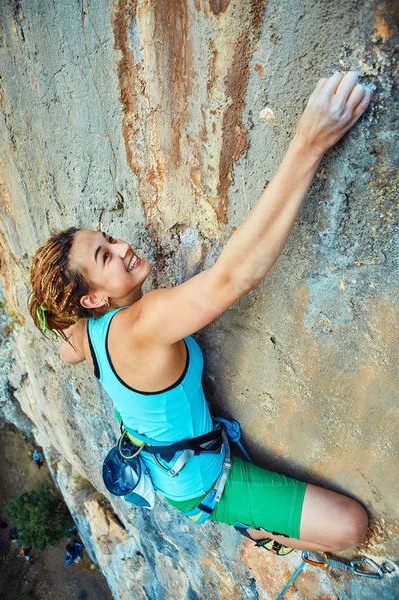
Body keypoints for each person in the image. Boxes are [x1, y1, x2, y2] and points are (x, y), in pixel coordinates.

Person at [28, 72, 372, 554]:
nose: (122, 246)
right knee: (350, 527)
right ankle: (255, 529)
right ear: (92, 298)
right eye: (105, 257)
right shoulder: (142, 325)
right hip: (207, 486)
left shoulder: (84, 336)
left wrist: (47, 307)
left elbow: (61, 338)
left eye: (107, 239)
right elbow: (234, 277)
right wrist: (309, 142)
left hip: (166, 465)